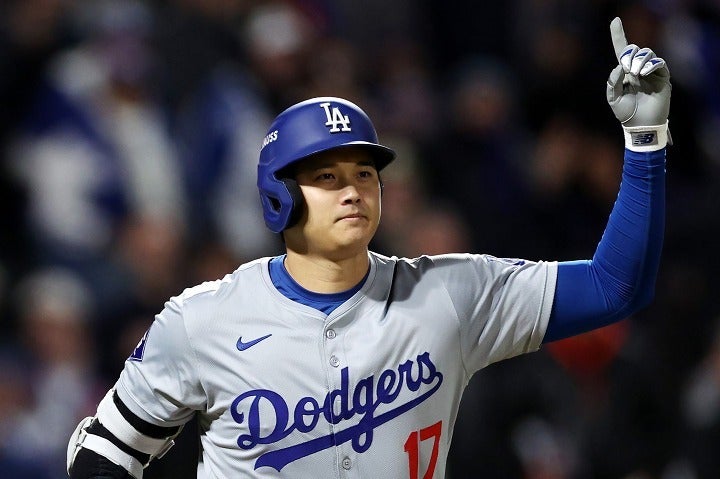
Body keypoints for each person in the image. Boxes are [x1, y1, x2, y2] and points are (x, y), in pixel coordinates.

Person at [66, 18, 670, 479]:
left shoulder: (447, 293)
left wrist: (645, 141)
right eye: (327, 177)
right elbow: (106, 449)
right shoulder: (204, 320)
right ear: (278, 199)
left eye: (363, 174)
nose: (352, 190)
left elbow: (615, 286)